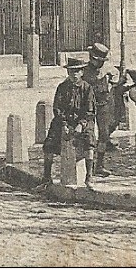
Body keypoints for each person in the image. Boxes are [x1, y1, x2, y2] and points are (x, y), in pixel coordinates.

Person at [38, 58, 97, 189]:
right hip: (64, 120)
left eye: (77, 71)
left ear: (82, 72)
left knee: (89, 142)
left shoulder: (87, 88)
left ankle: (89, 177)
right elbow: (57, 108)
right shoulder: (62, 87)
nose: (74, 74)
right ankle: (47, 177)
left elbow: (90, 110)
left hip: (83, 121)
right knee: (49, 144)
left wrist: (81, 124)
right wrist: (64, 124)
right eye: (71, 72)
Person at [82, 42, 115, 177]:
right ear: (92, 58)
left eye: (102, 61)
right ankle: (85, 166)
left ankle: (99, 165)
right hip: (88, 105)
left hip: (103, 104)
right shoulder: (83, 70)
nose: (100, 64)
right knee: (87, 135)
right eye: (98, 61)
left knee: (104, 135)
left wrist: (114, 82)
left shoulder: (106, 68)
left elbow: (116, 76)